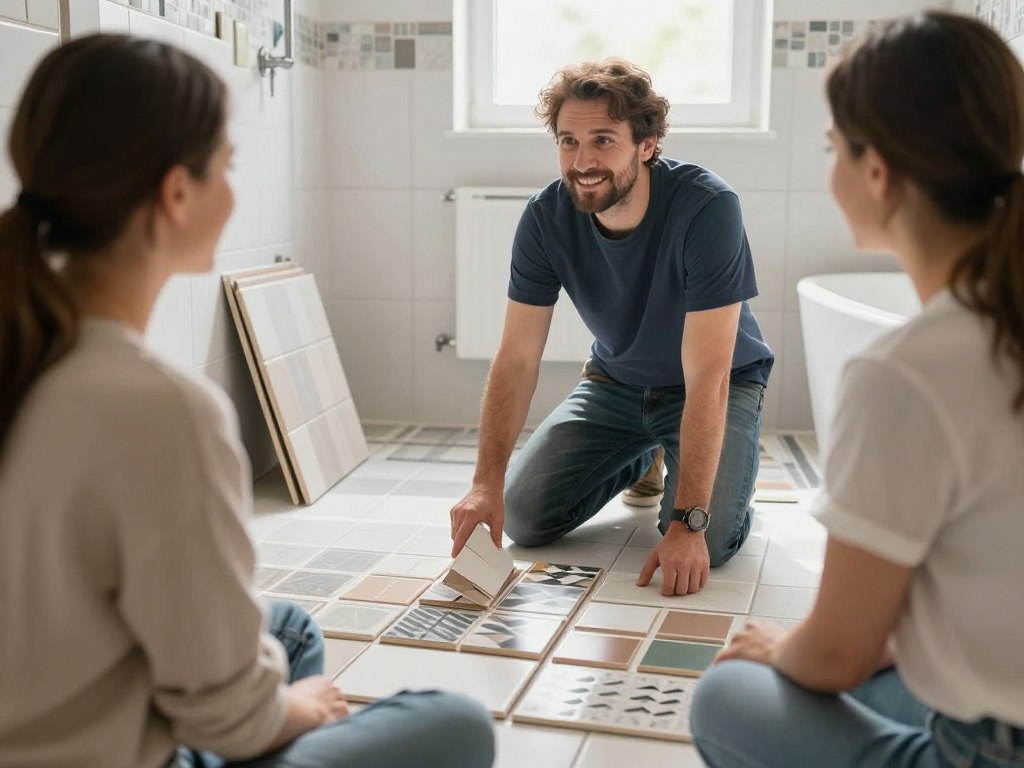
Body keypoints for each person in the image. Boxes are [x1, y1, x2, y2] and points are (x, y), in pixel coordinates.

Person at [0, 34, 494, 768]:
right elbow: (234, 718)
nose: (234, 188)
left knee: (288, 627)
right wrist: (294, 711)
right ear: (175, 194)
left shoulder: (29, 346)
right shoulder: (160, 410)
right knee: (456, 722)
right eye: (227, 167)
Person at [690, 11, 1024, 767]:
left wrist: (783, 650)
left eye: (833, 147)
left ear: (878, 174)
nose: (832, 167)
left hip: (993, 750)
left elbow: (836, 655)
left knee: (729, 693)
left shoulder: (908, 370)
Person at [449, 59, 774, 596]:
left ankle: (710, 472)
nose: (583, 161)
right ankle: (647, 455)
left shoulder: (708, 207)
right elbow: (517, 358)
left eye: (603, 140)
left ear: (645, 145)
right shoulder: (544, 218)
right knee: (525, 519)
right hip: (616, 383)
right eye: (568, 141)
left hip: (718, 385)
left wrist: (690, 519)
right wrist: (484, 486)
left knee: (705, 544)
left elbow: (710, 374)